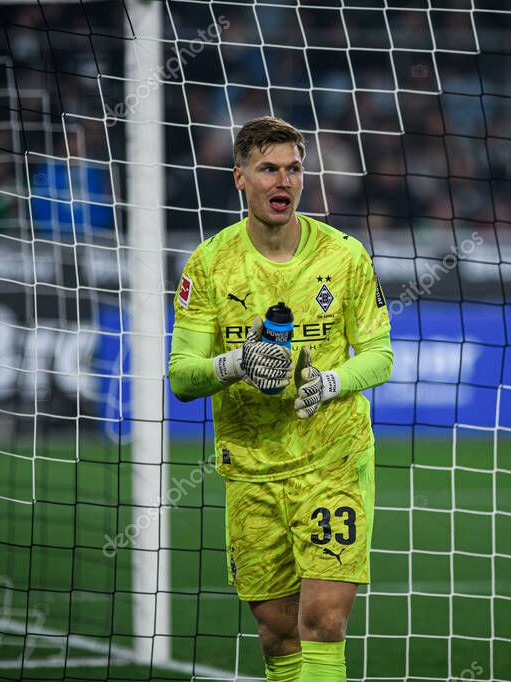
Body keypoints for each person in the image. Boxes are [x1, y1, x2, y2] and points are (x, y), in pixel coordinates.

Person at [168, 116, 393, 682]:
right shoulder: (210, 263)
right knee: (277, 634)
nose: (283, 181)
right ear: (240, 177)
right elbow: (182, 376)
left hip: (333, 460)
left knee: (323, 621)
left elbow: (380, 354)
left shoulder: (344, 257)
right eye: (268, 168)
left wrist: (328, 384)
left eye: (293, 168)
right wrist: (237, 362)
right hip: (251, 469)